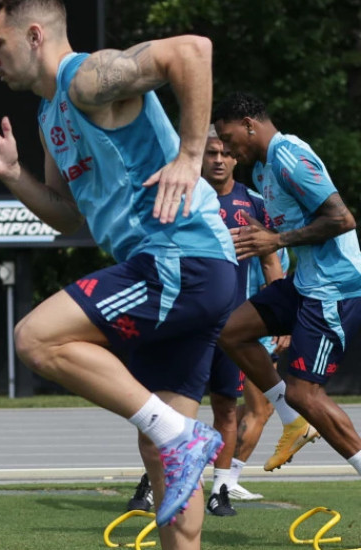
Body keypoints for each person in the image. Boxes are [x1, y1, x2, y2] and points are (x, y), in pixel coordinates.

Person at [0, 0, 237, 545]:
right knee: (160, 449)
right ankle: (180, 443)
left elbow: (193, 51)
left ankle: (182, 437)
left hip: (181, 257)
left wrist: (190, 156)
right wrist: (14, 175)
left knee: (35, 338)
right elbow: (66, 215)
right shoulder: (49, 115)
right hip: (179, 269)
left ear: (34, 35)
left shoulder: (85, 78)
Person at [125, 129, 286, 516]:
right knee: (169, 406)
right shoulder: (181, 194)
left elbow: (270, 261)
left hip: (232, 328)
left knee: (226, 409)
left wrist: (283, 316)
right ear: (199, 156)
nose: (217, 159)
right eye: (211, 151)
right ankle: (153, 480)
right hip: (184, 322)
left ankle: (221, 489)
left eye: (226, 153)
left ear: (236, 159)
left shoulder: (254, 204)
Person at [214, 91, 361, 478]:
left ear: (249, 126)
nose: (227, 150)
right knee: (230, 331)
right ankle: (292, 420)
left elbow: (342, 219)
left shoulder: (288, 157)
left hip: (334, 288)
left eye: (229, 139)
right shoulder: (262, 170)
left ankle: (301, 416)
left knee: (304, 393)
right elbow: (293, 228)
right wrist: (264, 234)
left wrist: (276, 241)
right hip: (304, 283)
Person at [228, 251, 290, 502]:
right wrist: (284, 322)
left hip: (236, 329)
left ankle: (202, 467)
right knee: (260, 411)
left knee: (236, 412)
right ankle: (228, 480)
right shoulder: (270, 242)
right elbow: (269, 284)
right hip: (254, 334)